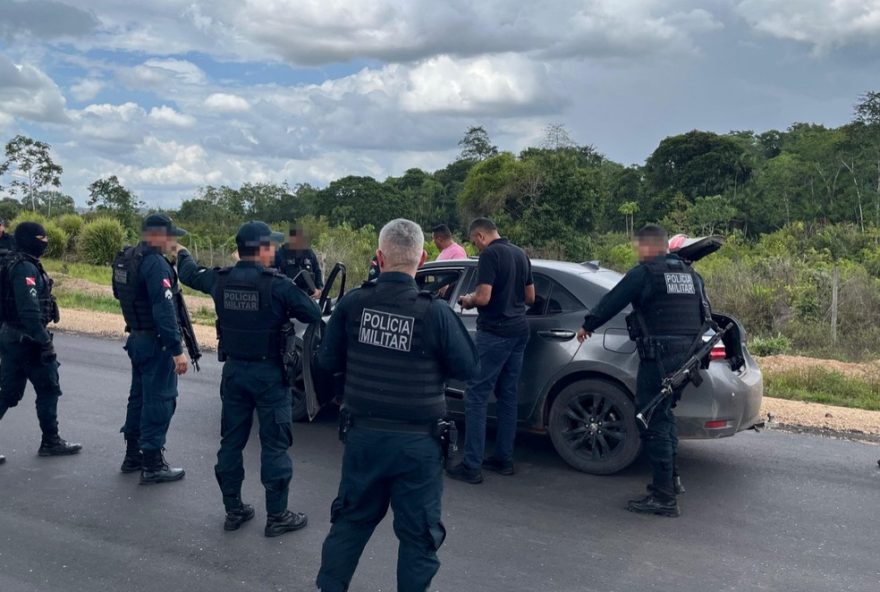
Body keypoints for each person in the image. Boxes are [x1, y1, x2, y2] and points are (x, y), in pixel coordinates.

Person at [315, 218, 478, 592]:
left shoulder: (354, 303)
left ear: (379, 257)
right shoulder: (434, 313)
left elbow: (326, 362)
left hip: (363, 438)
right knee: (418, 537)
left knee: (350, 523)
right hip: (417, 445)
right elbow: (468, 367)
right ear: (422, 259)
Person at [177, 221, 321, 536]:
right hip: (269, 375)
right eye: (271, 245)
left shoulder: (219, 279)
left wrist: (182, 252)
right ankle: (277, 515)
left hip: (234, 374)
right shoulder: (278, 285)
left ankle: (234, 510)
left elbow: (188, 273)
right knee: (274, 445)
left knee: (231, 442)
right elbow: (312, 312)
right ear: (262, 248)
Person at [576, 224, 712, 518]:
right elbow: (705, 313)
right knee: (664, 414)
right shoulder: (692, 276)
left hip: (660, 357)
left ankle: (663, 498)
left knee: (652, 419)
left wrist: (588, 325)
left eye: (639, 246)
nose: (637, 252)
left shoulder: (646, 273)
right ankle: (671, 480)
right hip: (688, 358)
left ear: (650, 246)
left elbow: (613, 300)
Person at [447, 217, 534, 484]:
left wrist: (467, 299)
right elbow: (531, 297)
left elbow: (483, 298)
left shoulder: (490, 256)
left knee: (475, 395)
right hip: (520, 330)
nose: (476, 246)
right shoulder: (520, 254)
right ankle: (503, 459)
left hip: (495, 332)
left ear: (481, 236)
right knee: (507, 395)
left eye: (475, 241)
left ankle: (472, 465)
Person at [112, 214, 190, 484]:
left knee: (139, 398)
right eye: (171, 236)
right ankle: (153, 463)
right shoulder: (155, 264)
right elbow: (164, 309)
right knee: (160, 400)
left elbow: (118, 294)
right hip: (156, 341)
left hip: (136, 335)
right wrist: (176, 349)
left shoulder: (127, 258)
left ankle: (133, 455)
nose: (174, 241)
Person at [0, 222, 81, 461]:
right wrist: (45, 341)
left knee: (7, 394)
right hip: (28, 340)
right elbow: (29, 311)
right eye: (41, 237)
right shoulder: (24, 267)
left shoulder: (14, 261)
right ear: (29, 240)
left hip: (11, 337)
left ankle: (51, 440)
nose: (45, 241)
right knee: (48, 389)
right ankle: (51, 441)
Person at [275, 224, 323, 299]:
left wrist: (319, 289)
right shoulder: (281, 254)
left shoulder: (309, 253)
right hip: (288, 297)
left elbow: (317, 271)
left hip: (310, 297)